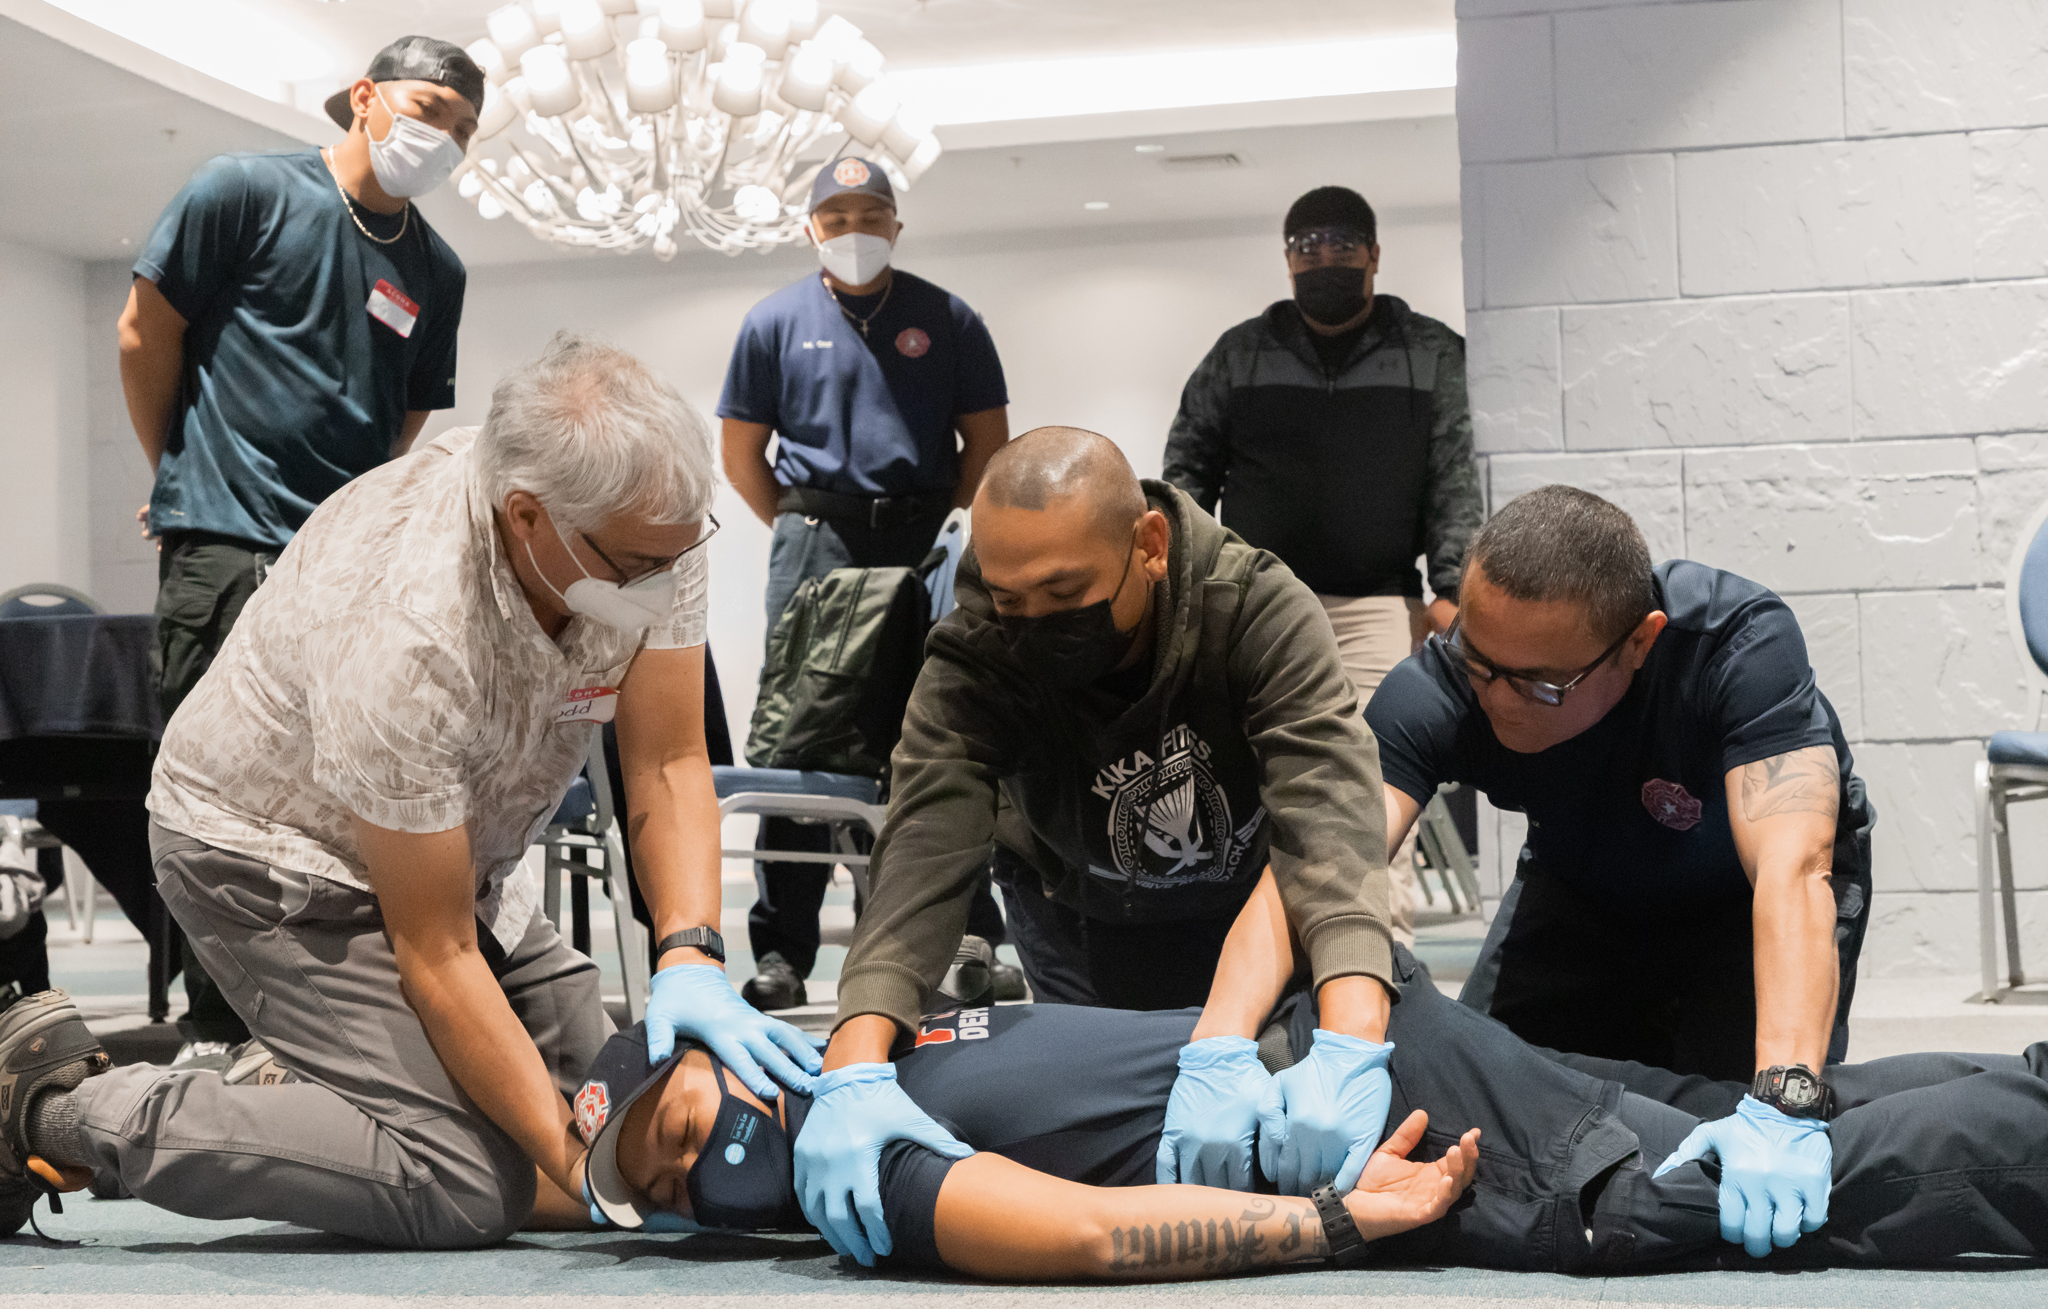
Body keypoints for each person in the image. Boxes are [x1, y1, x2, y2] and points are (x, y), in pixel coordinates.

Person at [0, 335, 819, 1245]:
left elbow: (666, 762)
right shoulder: (408, 626)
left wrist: (692, 959)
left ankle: (330, 1085)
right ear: (527, 519)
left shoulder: (649, 522)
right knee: (469, 1184)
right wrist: (582, 1167)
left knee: (651, 1115)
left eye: (675, 558)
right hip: (268, 863)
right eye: (635, 570)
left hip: (459, 864)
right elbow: (435, 955)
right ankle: (55, 1108)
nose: (660, 585)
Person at [566, 871, 2046, 1279]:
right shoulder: (867, 1137)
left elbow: (1085, 1235)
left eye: (677, 1123)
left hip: (1352, 1087)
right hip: (1363, 1055)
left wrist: (1341, 1222)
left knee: (1687, 1194)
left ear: (717, 1056)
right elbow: (1073, 1216)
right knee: (1733, 1127)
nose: (692, 1168)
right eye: (671, 1188)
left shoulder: (861, 1113)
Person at [798, 425, 1403, 1266]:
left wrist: (1351, 1041)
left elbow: (1329, 817)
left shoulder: (1253, 604)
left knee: (1283, 1106)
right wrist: (853, 1062)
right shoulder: (977, 646)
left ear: (1148, 546)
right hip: (1074, 911)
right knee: (1122, 1144)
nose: (1037, 621)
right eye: (1014, 600)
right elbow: (926, 843)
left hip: (1243, 918)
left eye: (1065, 591)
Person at [1366, 483, 1876, 1257]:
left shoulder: (1736, 643)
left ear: (1639, 642)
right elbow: (1329, 863)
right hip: (1586, 884)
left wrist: (1783, 1099)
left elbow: (1795, 871)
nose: (1497, 700)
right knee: (1486, 1104)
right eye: (1479, 662)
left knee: (1717, 1145)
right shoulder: (1445, 686)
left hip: (1744, 905)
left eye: (1539, 683)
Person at [117, 36, 481, 1062]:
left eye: (460, 127)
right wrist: (179, 476)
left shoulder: (435, 269)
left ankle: (322, 1024)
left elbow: (403, 424)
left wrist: (350, 531)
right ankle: (216, 1032)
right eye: (425, 109)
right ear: (364, 98)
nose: (439, 136)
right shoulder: (244, 191)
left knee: (336, 797)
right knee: (213, 792)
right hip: (224, 542)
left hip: (346, 571)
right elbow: (145, 332)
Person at [718, 155, 1014, 1013]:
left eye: (870, 213)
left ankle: (966, 930)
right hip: (814, 540)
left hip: (925, 538)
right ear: (811, 226)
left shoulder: (947, 319)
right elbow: (741, 457)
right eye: (836, 216)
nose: (854, 231)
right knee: (801, 745)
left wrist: (947, 537)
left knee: (939, 735)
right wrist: (805, 524)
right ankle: (782, 954)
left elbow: (987, 446)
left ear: (896, 223)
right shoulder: (773, 321)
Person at [1162, 185, 1482, 946]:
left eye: (1340, 244)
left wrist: (1450, 590)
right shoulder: (1241, 353)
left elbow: (1454, 478)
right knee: (1259, 781)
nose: (1323, 259)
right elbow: (1185, 476)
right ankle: (1268, 956)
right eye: (1306, 247)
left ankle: (1384, 955)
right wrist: (1184, 587)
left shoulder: (1430, 351)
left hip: (1378, 604)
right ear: (1286, 259)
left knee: (1375, 779)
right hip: (1256, 603)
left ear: (1373, 254)